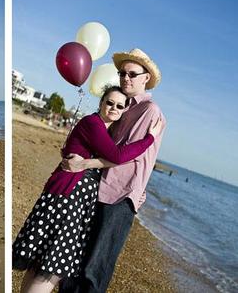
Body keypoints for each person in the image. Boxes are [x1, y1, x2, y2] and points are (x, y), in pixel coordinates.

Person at [12, 85, 163, 293]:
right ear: (101, 102)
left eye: (120, 106)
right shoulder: (93, 123)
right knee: (52, 267)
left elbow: (106, 156)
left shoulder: (102, 128)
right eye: (109, 103)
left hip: (67, 196)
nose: (113, 108)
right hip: (68, 198)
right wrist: (150, 139)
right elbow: (117, 156)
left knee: (41, 262)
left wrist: (139, 186)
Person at [58, 48, 166, 293]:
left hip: (119, 197)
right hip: (99, 189)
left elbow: (123, 157)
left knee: (94, 271)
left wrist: (84, 164)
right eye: (122, 73)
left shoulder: (149, 111)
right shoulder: (124, 106)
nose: (125, 78)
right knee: (76, 263)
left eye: (131, 74)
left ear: (145, 77)